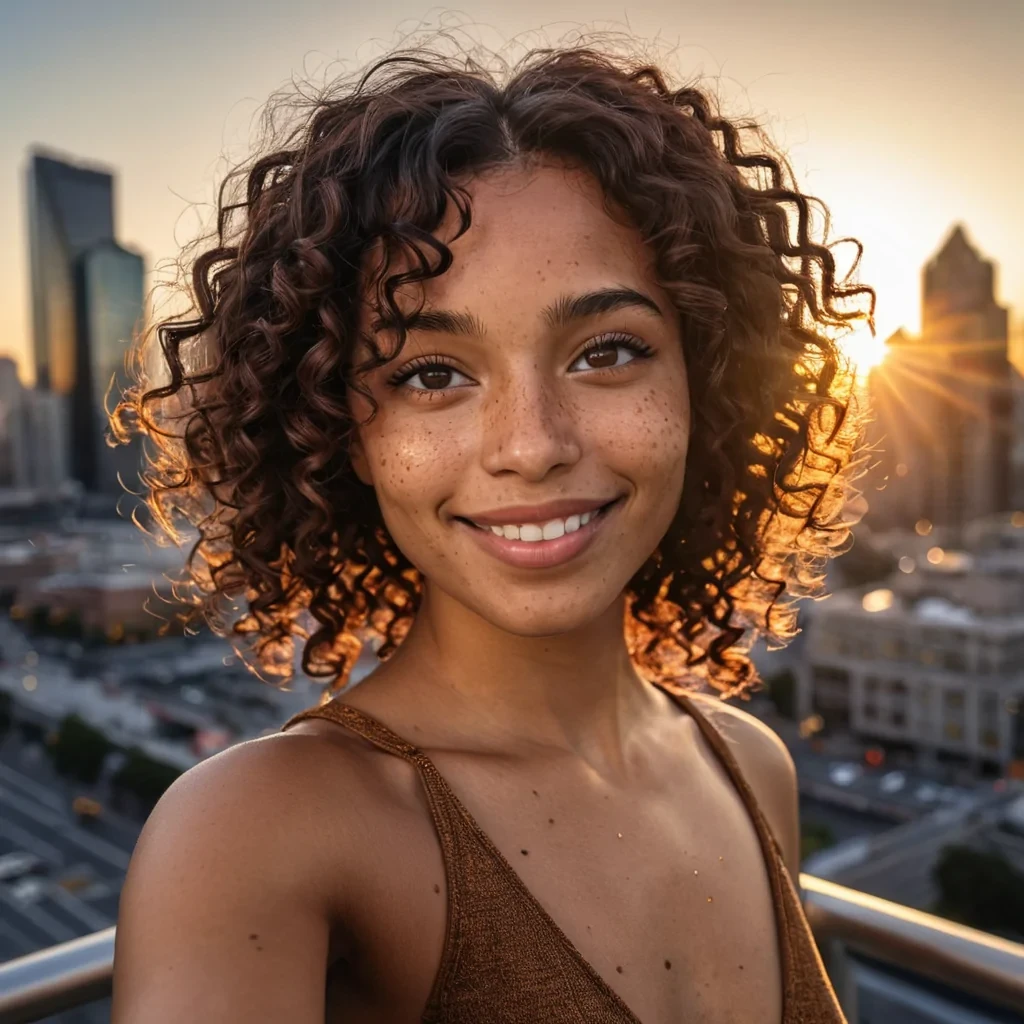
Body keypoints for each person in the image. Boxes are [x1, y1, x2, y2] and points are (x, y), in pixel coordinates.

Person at [110, 34, 874, 1024]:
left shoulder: (752, 767)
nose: (531, 445)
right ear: (341, 430)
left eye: (607, 352)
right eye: (431, 373)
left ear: (709, 379)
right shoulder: (259, 831)